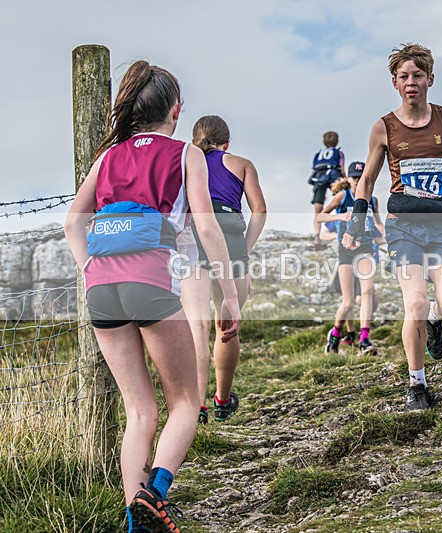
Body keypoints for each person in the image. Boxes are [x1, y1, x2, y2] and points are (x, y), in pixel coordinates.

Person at [65, 61, 240, 533]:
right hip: (153, 280)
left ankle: (135, 524)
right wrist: (230, 293)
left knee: (138, 411)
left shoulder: (107, 157)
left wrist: (88, 271)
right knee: (185, 401)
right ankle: (154, 493)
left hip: (102, 285)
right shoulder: (187, 154)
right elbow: (206, 225)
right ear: (176, 110)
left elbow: (71, 223)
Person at [342, 43, 442, 411]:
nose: (411, 82)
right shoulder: (383, 127)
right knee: (413, 302)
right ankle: (417, 384)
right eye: (403, 77)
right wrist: (357, 218)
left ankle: (435, 318)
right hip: (403, 227)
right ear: (394, 84)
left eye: (417, 76)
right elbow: (366, 179)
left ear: (430, 79)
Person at [181, 115, 267, 425]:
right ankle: (222, 401)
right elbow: (260, 211)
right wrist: (245, 247)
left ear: (194, 141)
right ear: (226, 143)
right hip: (230, 236)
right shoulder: (242, 164)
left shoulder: (185, 162)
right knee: (227, 326)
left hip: (195, 235)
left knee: (197, 327)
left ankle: (197, 409)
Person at [317, 161, 384, 354]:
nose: (357, 181)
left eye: (361, 178)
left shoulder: (373, 200)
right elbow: (320, 217)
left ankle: (364, 340)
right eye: (354, 178)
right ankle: (336, 334)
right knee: (348, 302)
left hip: (365, 249)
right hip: (345, 250)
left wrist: (388, 238)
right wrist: (339, 217)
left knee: (368, 292)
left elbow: (378, 224)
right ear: (348, 179)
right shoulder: (342, 196)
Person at [309, 131, 345, 249]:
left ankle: (317, 234)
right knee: (343, 199)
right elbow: (342, 167)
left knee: (317, 208)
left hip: (320, 177)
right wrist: (346, 180)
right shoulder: (338, 152)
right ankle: (340, 226)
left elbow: (313, 170)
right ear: (337, 141)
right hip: (333, 175)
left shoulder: (318, 154)